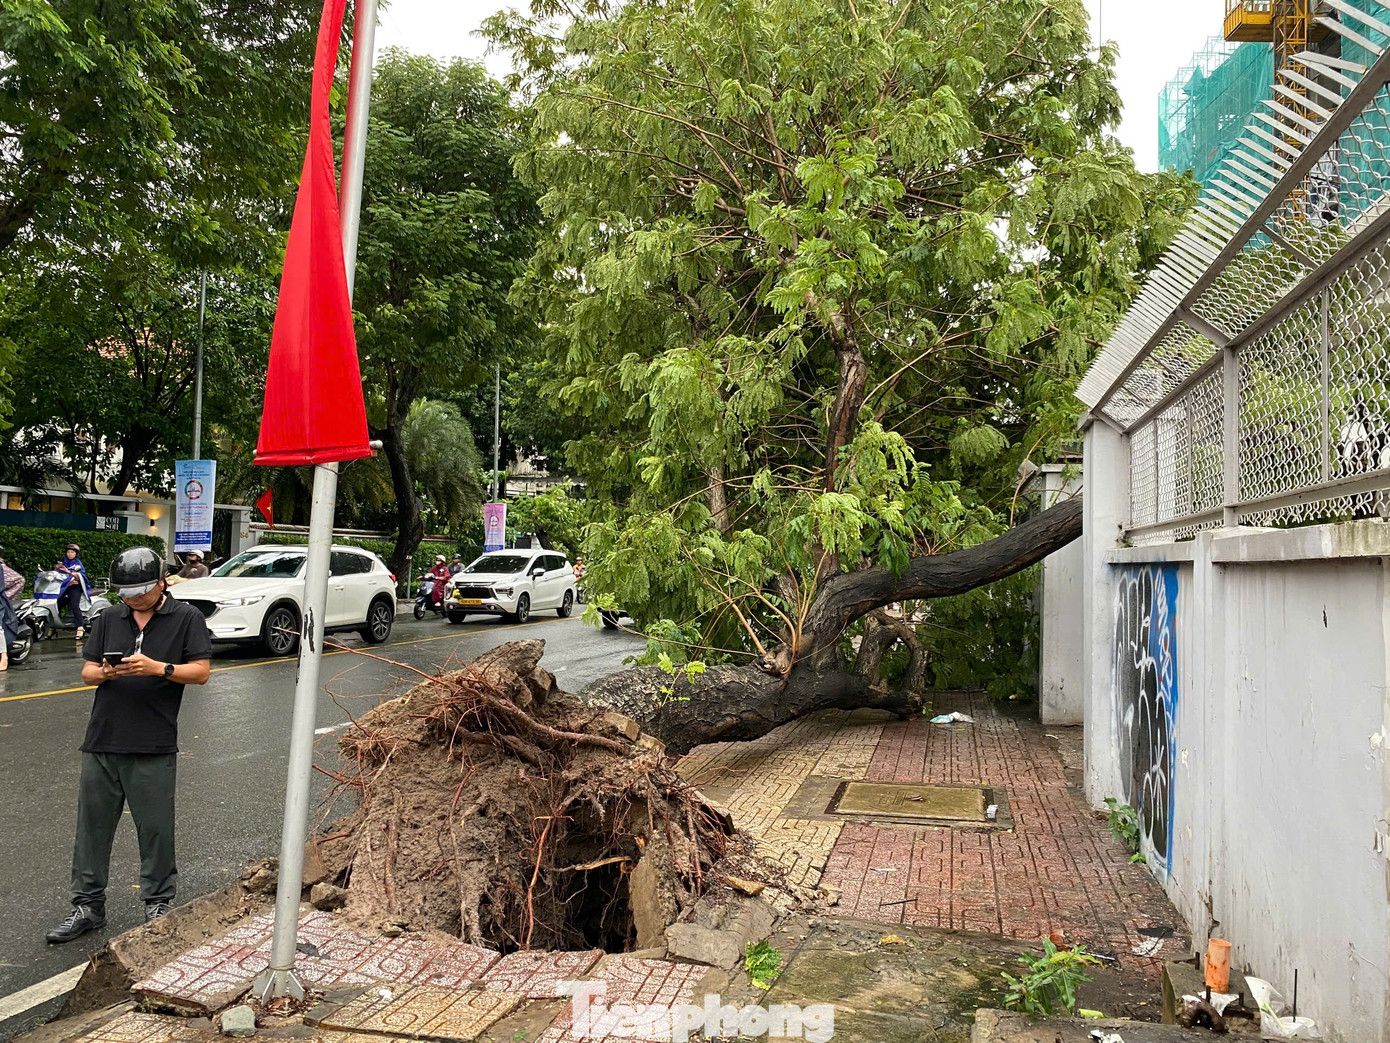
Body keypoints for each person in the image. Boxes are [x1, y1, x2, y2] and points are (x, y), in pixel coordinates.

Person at [45, 546, 212, 943]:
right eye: (126, 592)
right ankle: (87, 906)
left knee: (155, 830)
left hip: (153, 743)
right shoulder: (108, 617)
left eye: (140, 590)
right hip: (102, 741)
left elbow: (201, 672)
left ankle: (158, 903)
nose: (134, 598)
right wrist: (104, 673)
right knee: (92, 829)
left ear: (161, 582)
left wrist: (160, 668)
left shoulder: (186, 618)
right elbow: (86, 672)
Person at [54, 544, 89, 641]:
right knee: (57, 604)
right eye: (68, 552)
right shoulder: (63, 563)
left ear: (76, 554)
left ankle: (80, 628)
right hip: (64, 588)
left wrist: (68, 572)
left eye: (72, 552)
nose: (70, 554)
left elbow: (81, 576)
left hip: (74, 587)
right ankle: (54, 626)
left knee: (74, 605)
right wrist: (56, 569)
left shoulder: (78, 564)